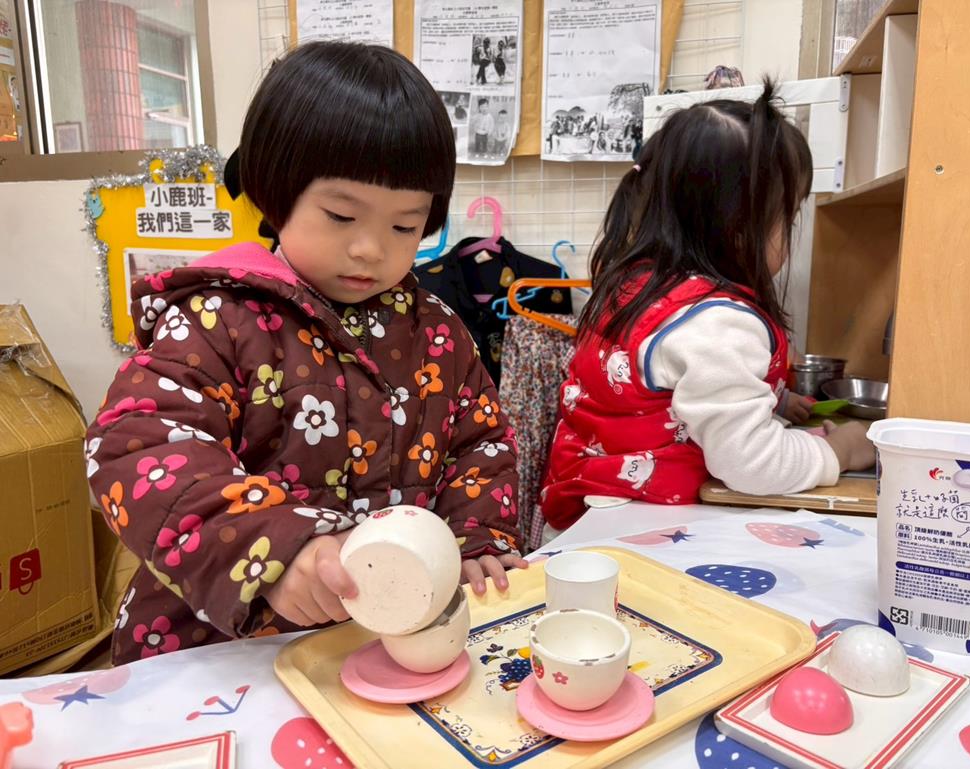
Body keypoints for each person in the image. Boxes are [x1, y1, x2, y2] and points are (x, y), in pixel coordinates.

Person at [85, 42, 526, 665]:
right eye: (342, 215)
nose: (371, 249)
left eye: (405, 225)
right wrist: (273, 550)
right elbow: (138, 447)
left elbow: (479, 445)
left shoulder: (437, 331)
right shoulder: (218, 319)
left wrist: (476, 537)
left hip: (382, 637)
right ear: (277, 192)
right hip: (222, 642)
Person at [540, 80, 874, 532]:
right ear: (738, 229)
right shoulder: (717, 322)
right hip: (638, 534)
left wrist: (776, 398)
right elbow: (752, 463)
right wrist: (841, 450)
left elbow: (672, 388)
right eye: (787, 217)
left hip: (587, 512)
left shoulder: (637, 283)